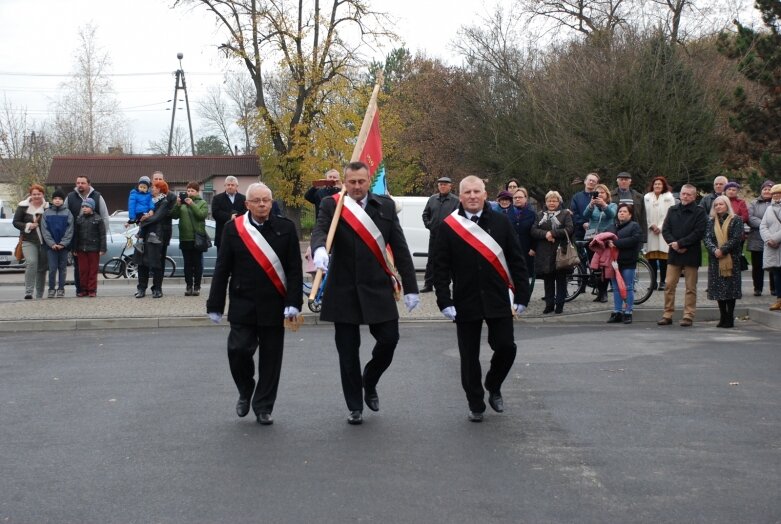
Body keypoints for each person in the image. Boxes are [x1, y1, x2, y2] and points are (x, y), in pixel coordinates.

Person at [310, 161, 419, 425]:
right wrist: (319, 249)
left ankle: (369, 381)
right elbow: (320, 230)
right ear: (344, 183)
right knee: (348, 352)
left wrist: (411, 288)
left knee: (389, 340)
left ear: (368, 181)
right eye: (352, 182)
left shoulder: (385, 206)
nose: (357, 187)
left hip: (377, 286)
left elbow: (401, 249)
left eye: (361, 182)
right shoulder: (332, 205)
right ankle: (355, 406)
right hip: (343, 287)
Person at [433, 175, 530, 422]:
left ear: (485, 194)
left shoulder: (501, 222)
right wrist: (444, 300)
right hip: (465, 299)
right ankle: (475, 403)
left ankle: (493, 384)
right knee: (469, 356)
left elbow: (517, 260)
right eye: (468, 192)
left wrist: (522, 294)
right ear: (460, 195)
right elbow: (440, 268)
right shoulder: (448, 226)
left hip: (498, 297)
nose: (473, 196)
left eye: (477, 191)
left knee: (507, 347)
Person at [206, 183, 303, 425]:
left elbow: (294, 269)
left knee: (271, 360)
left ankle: (263, 407)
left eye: (266, 200)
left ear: (272, 202)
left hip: (274, 303)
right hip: (243, 301)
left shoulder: (286, 228)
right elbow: (222, 269)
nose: (262, 204)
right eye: (257, 200)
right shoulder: (233, 229)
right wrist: (215, 304)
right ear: (246, 204)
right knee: (238, 351)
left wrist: (294, 302)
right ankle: (245, 389)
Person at [658, 184, 707, 327]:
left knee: (690, 287)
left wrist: (681, 244)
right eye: (683, 194)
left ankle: (688, 315)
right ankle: (667, 314)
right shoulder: (672, 210)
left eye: (688, 194)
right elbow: (666, 229)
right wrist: (674, 244)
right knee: (669, 285)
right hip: (674, 253)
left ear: (694, 196)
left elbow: (699, 232)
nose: (685, 196)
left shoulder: (699, 211)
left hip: (691, 253)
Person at [531, 191, 575, 314]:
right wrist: (545, 234)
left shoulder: (565, 214)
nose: (552, 203)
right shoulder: (540, 215)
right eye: (549, 200)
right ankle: (549, 304)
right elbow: (533, 230)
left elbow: (570, 229)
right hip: (544, 252)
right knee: (548, 280)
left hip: (560, 250)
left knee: (561, 280)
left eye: (554, 200)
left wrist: (553, 233)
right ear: (546, 202)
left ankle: (559, 305)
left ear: (558, 202)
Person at [65, 175, 109, 296]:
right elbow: (66, 217)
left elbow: (105, 217)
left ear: (89, 184)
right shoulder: (70, 197)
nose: (80, 185)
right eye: (78, 182)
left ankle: (91, 290)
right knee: (80, 269)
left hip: (94, 244)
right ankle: (80, 290)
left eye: (83, 183)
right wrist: (71, 244)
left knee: (92, 270)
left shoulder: (97, 196)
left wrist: (102, 246)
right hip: (78, 244)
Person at [704, 196, 744, 328]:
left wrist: (723, 250)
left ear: (727, 205)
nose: (718, 207)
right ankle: (722, 316)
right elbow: (707, 238)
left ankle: (730, 317)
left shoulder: (736, 220)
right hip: (716, 260)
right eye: (716, 205)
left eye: (721, 204)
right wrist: (714, 250)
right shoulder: (711, 221)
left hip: (731, 259)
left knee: (730, 290)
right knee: (718, 290)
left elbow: (736, 238)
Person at [605, 204, 643, 324]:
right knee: (616, 288)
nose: (621, 213)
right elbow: (605, 238)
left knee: (628, 287)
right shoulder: (612, 226)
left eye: (624, 211)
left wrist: (616, 243)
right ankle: (617, 312)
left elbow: (634, 240)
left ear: (630, 214)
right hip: (614, 262)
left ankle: (628, 312)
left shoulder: (634, 226)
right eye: (620, 211)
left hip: (628, 261)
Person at [421, 176, 459, 292]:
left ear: (450, 186)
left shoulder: (455, 201)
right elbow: (425, 214)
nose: (442, 186)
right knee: (431, 260)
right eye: (440, 184)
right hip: (434, 235)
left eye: (445, 184)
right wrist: (429, 225)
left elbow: (459, 217)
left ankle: (453, 284)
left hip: (449, 237)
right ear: (438, 186)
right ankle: (428, 284)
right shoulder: (432, 199)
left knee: (450, 261)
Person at [135, 180, 172, 298]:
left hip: (155, 235)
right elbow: (138, 214)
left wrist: (143, 220)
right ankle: (141, 288)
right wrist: (140, 217)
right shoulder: (146, 199)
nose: (151, 189)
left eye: (154, 187)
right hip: (142, 235)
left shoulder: (164, 202)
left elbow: (156, 218)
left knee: (156, 262)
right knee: (141, 263)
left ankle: (157, 289)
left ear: (160, 189)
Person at [171, 181, 209, 296]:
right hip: (184, 238)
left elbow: (201, 215)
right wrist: (177, 204)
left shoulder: (202, 203)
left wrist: (192, 204)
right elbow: (174, 215)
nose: (190, 192)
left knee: (197, 264)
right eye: (188, 190)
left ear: (197, 192)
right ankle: (188, 286)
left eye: (192, 190)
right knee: (187, 264)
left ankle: (197, 286)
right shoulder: (181, 203)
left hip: (197, 237)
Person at [13, 184, 49, 300]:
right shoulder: (23, 207)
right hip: (29, 240)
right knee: (32, 263)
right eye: (34, 194)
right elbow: (16, 222)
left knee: (42, 268)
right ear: (30, 195)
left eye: (39, 194)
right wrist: (28, 225)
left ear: (42, 194)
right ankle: (28, 292)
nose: (36, 196)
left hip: (44, 242)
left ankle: (39, 294)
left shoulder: (48, 207)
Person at [583, 183, 616, 302]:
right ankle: (599, 292)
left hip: (605, 239)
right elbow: (585, 215)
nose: (600, 194)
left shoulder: (612, 205)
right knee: (595, 267)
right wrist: (591, 205)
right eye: (597, 192)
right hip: (592, 239)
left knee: (604, 266)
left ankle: (604, 293)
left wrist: (604, 205)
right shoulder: (592, 206)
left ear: (607, 194)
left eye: (602, 192)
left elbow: (612, 215)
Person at [643, 176, 676, 291]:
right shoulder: (647, 197)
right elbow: (644, 213)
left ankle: (663, 282)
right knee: (651, 258)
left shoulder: (669, 197)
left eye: (659, 184)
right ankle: (653, 283)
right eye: (655, 184)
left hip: (663, 231)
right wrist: (651, 225)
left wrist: (661, 227)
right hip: (650, 231)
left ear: (664, 185)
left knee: (663, 259)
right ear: (652, 185)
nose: (657, 186)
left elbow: (670, 214)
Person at [40, 189, 74, 298]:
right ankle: (51, 289)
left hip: (63, 247)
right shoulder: (46, 213)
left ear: (63, 201)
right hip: (51, 247)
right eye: (55, 199)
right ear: (52, 200)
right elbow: (45, 231)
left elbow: (70, 230)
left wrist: (63, 243)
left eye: (60, 199)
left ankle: (61, 289)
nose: (57, 201)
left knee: (62, 269)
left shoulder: (68, 213)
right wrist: (51, 244)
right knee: (52, 269)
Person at [73, 198, 106, 297]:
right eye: (83, 206)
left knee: (93, 270)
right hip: (81, 249)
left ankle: (92, 290)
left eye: (87, 206)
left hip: (94, 249)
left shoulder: (98, 219)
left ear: (92, 207)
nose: (84, 208)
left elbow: (102, 235)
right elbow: (76, 235)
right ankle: (83, 289)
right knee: (83, 270)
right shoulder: (79, 219)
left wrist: (102, 248)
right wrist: (74, 248)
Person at [748, 180, 776, 296]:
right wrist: (765, 225)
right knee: (757, 266)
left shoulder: (777, 203)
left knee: (774, 266)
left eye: (769, 189)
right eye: (764, 189)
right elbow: (750, 218)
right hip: (757, 239)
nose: (767, 191)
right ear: (761, 190)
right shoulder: (753, 203)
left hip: (773, 238)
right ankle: (757, 288)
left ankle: (774, 288)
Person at [760, 184, 781, 311]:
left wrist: (775, 239)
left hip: (777, 243)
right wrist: (768, 239)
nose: (776, 195)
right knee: (777, 275)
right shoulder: (769, 209)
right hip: (773, 248)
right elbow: (763, 226)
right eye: (774, 194)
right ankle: (779, 300)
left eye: (779, 193)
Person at [610, 171, 647, 243]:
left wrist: (644, 237)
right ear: (617, 182)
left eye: (626, 180)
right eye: (621, 179)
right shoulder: (610, 195)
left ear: (630, 182)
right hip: (616, 229)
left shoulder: (639, 196)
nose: (623, 181)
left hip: (634, 230)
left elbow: (643, 217)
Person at [211, 176, 246, 250]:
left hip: (239, 235)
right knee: (222, 260)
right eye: (228, 185)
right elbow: (215, 213)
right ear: (225, 186)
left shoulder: (243, 198)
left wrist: (236, 217)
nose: (230, 187)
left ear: (237, 186)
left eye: (232, 185)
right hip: (222, 235)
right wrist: (229, 216)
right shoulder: (217, 198)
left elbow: (246, 212)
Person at [512, 187, 537, 282]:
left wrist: (533, 248)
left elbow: (535, 232)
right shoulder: (507, 214)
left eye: (520, 197)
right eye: (515, 197)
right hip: (512, 251)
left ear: (525, 199)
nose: (517, 199)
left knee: (525, 278)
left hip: (527, 250)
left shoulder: (532, 214)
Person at [570, 172, 600, 241]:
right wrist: (583, 223)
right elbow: (573, 213)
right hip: (580, 231)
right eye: (590, 180)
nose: (591, 182)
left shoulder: (600, 196)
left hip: (597, 230)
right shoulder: (576, 197)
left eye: (594, 181)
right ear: (585, 181)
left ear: (597, 184)